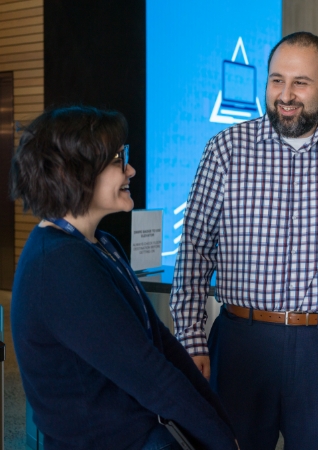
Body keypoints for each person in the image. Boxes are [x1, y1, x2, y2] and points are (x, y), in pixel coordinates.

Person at [171, 31, 318, 449]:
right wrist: (192, 338)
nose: (285, 95)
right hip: (241, 343)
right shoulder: (226, 150)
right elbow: (195, 250)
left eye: (300, 83)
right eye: (276, 81)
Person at [10, 106, 238, 450]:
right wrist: (222, 440)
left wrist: (220, 423)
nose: (130, 169)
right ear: (77, 173)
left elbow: (160, 344)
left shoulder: (100, 244)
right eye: (118, 160)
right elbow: (150, 376)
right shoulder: (59, 266)